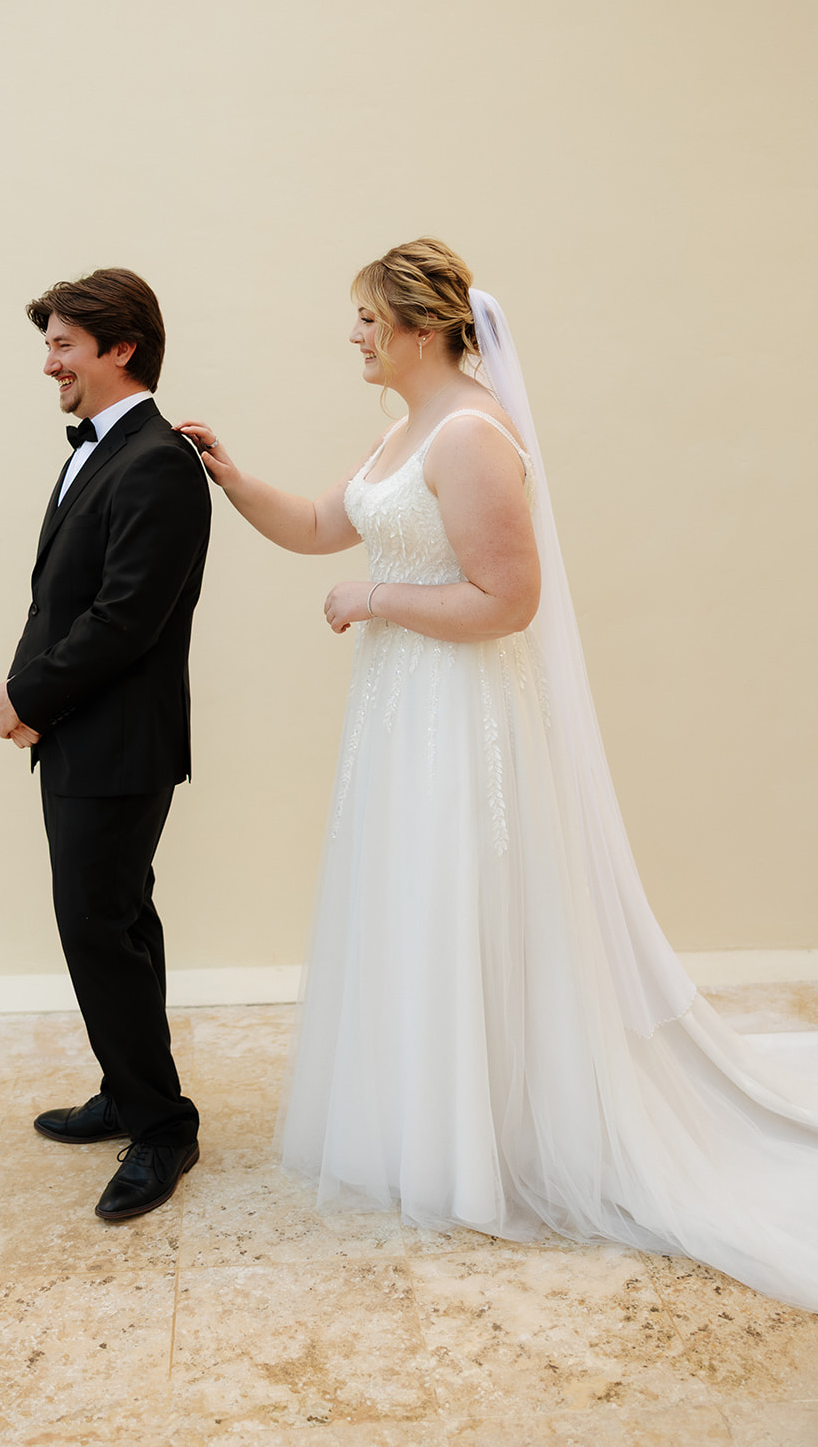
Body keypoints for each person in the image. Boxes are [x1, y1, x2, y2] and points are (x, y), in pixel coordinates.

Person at [178, 237, 818, 1311]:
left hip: (458, 714)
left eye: (366, 319)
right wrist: (231, 475)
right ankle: (433, 1129)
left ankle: (488, 1147)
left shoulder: (471, 434)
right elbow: (320, 525)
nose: (352, 336)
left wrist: (370, 600)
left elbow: (504, 601)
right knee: (411, 905)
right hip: (400, 711)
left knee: (460, 903)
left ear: (421, 327)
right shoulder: (400, 432)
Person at [0, 267, 210, 1222]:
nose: (49, 365)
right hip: (82, 734)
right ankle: (128, 1087)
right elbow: (63, 597)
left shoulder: (156, 460)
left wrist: (24, 696)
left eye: (63, 346)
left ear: (121, 349)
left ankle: (162, 1127)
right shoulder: (102, 450)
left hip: (116, 742)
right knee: (114, 919)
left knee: (97, 925)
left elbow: (124, 621)